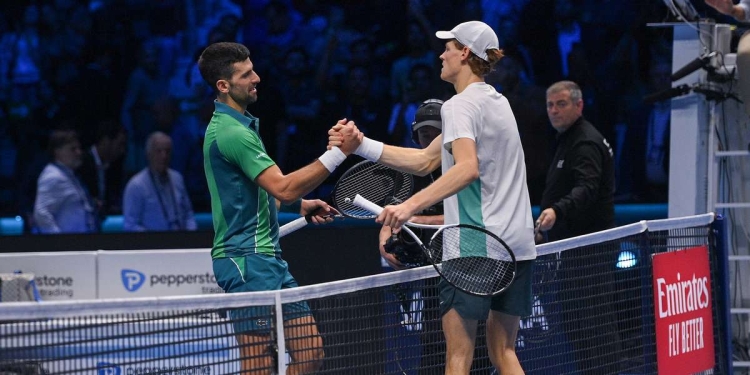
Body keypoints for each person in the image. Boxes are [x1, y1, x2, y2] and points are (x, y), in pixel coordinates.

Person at [331, 21, 537, 375]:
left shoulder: (458, 106)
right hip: (518, 245)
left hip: (476, 244)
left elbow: (466, 168)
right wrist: (360, 146)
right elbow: (427, 159)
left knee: (458, 356)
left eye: (449, 47)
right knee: (504, 350)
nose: (442, 54)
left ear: (466, 53)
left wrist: (408, 206)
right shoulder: (498, 102)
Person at [197, 42, 358, 374]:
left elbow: (266, 191)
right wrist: (338, 154)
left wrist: (299, 205)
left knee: (310, 354)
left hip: (268, 259)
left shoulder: (242, 127)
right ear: (223, 86)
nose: (256, 78)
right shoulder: (230, 133)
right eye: (246, 74)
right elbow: (282, 185)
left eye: (253, 69)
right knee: (257, 366)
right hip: (245, 260)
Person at [536, 80, 621, 374]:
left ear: (579, 105)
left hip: (592, 250)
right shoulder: (566, 139)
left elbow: (587, 188)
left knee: (594, 326)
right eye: (550, 105)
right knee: (576, 326)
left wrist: (556, 212)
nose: (554, 111)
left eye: (561, 104)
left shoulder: (584, 141)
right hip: (574, 250)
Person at [122, 131, 197, 232]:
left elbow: (188, 214)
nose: (164, 156)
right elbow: (130, 225)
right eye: (159, 151)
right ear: (148, 154)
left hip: (182, 242)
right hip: (152, 245)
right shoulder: (136, 185)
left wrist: (191, 235)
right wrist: (154, 241)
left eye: (167, 151)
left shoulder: (177, 178)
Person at [33, 130, 98, 234]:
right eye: (73, 149)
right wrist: (59, 243)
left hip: (78, 243)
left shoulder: (69, 175)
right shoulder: (52, 176)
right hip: (66, 245)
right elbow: (41, 214)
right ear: (57, 152)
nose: (79, 152)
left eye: (79, 148)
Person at [78, 120, 127, 216]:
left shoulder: (114, 168)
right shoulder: (81, 163)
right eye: (120, 144)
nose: (122, 151)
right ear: (106, 141)